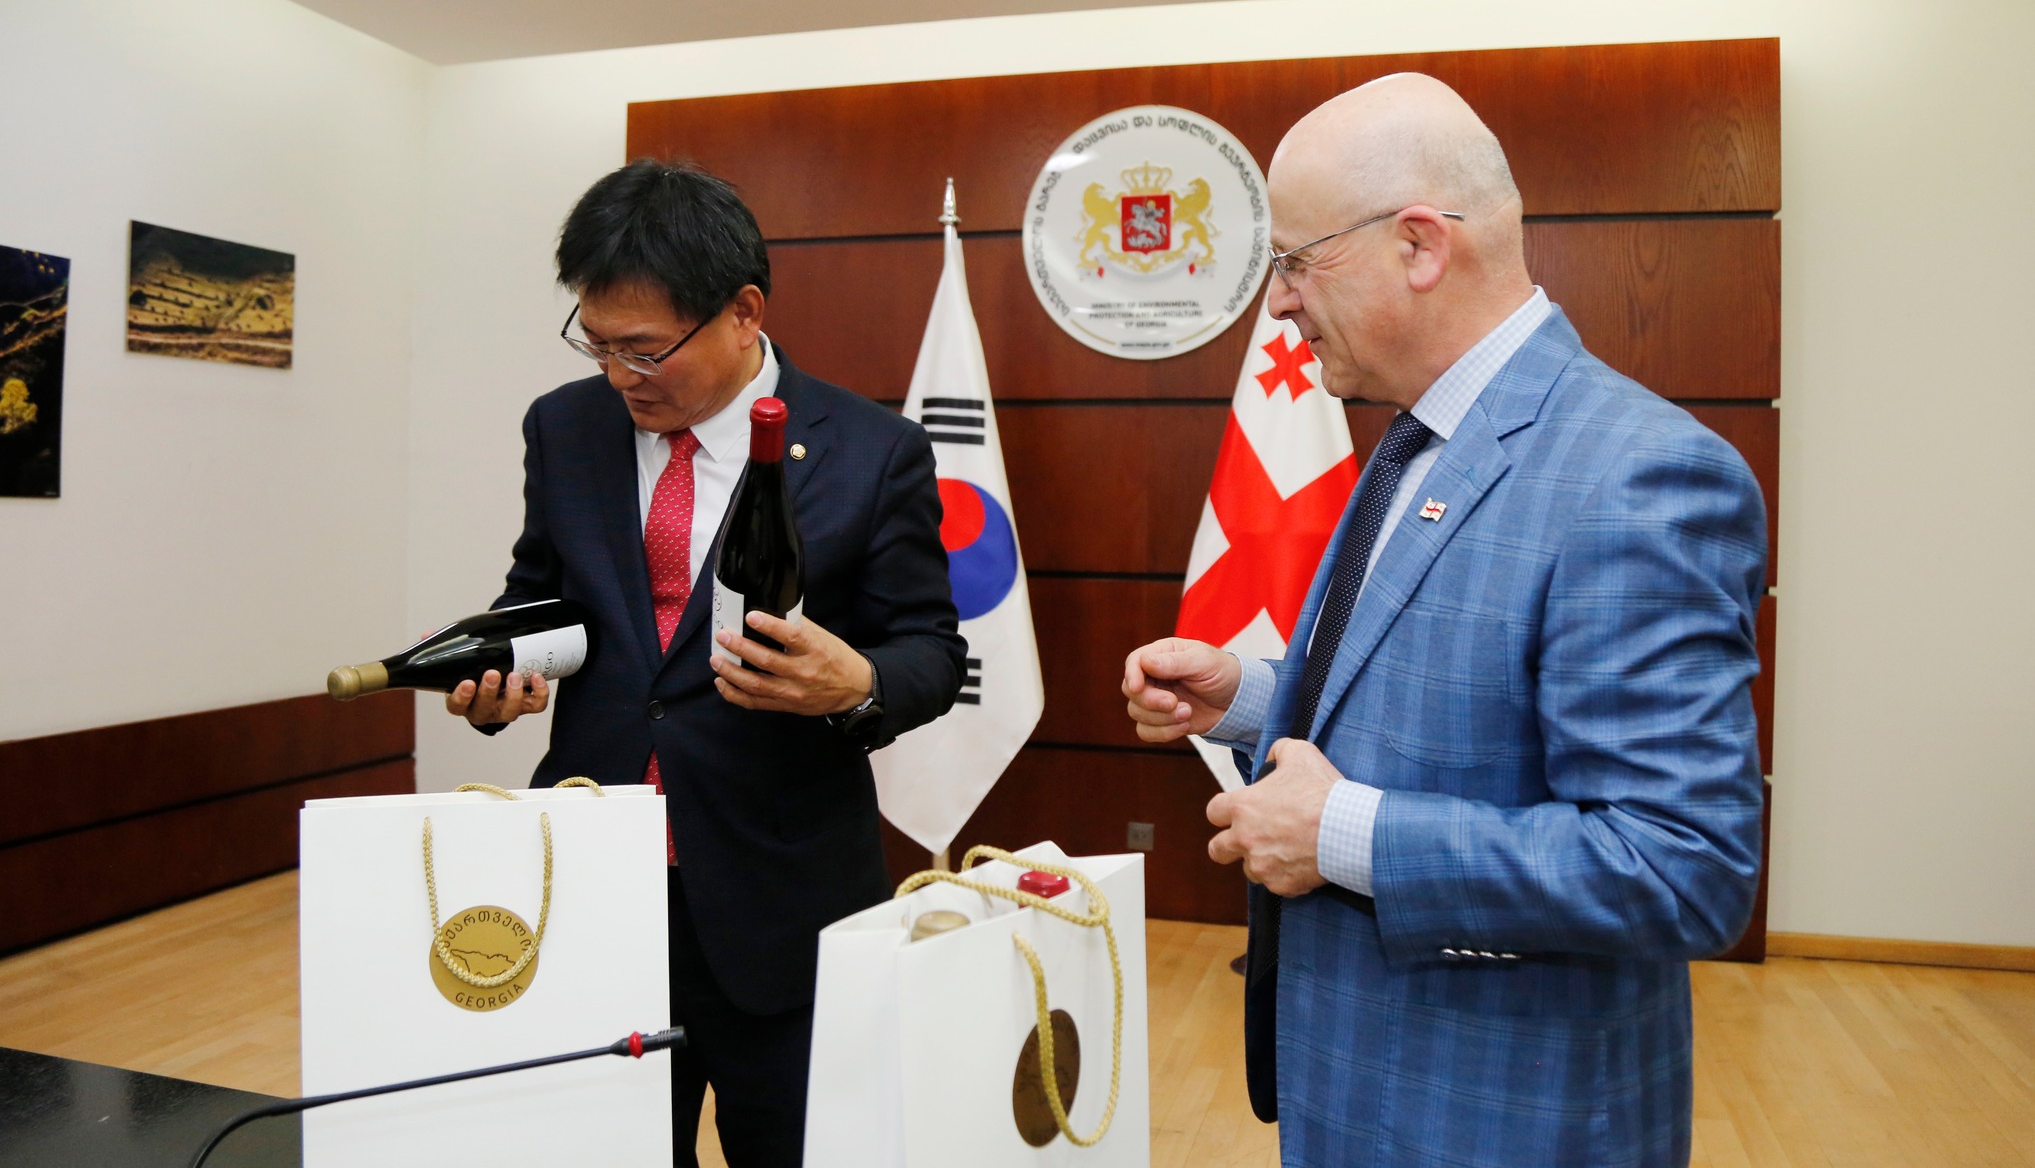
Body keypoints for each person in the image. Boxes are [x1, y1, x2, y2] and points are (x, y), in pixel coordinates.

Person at [1123, 75, 1766, 1167]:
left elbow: (1679, 865)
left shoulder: (1638, 475)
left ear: (1419, 245)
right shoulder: (1415, 436)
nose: (1276, 305)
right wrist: (1249, 697)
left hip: (1499, 1119)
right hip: (1356, 1089)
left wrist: (1340, 832)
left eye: (1295, 262)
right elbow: (1433, 696)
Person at [449, 160, 967, 1168]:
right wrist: (499, 672)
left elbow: (931, 652)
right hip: (596, 878)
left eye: (644, 349)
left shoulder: (872, 451)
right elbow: (538, 592)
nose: (619, 376)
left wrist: (855, 683)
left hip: (779, 896)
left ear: (742, 312)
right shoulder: (566, 426)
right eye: (598, 343)